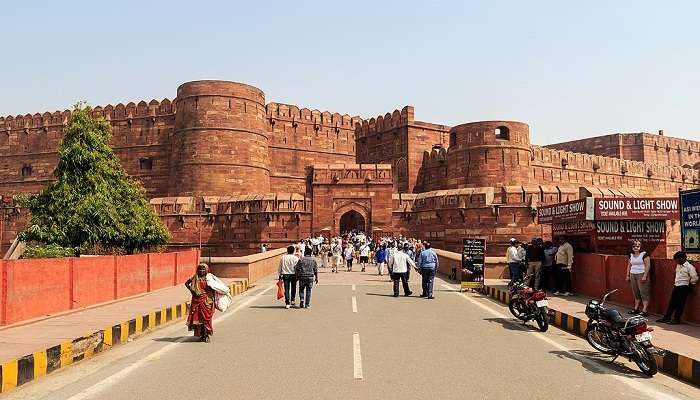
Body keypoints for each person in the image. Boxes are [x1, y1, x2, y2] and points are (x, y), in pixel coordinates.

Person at [185, 263, 228, 342]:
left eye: (203, 269)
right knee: (198, 319)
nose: (201, 271)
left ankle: (207, 335)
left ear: (206, 270)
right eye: (200, 269)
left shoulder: (210, 278)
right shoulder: (195, 277)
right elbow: (186, 283)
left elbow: (216, 287)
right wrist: (192, 291)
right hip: (196, 301)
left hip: (208, 301)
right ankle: (201, 334)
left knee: (206, 319)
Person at [657, 251, 698, 325]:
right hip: (677, 286)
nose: (676, 262)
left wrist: (691, 285)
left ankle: (676, 319)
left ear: (682, 259)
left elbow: (694, 277)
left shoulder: (690, 267)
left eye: (677, 260)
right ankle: (667, 317)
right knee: (672, 303)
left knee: (680, 304)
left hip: (684, 287)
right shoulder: (679, 265)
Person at [626, 240, 651, 316]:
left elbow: (648, 266)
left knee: (644, 292)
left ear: (640, 247)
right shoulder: (631, 255)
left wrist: (645, 276)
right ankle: (636, 309)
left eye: (637, 246)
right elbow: (629, 265)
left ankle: (645, 310)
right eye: (634, 246)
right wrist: (627, 275)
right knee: (635, 292)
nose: (636, 248)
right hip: (632, 274)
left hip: (641, 274)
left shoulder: (644, 255)